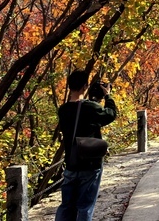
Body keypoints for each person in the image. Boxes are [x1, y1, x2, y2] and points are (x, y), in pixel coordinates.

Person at [55, 70, 118, 221]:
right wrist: (107, 96)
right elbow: (110, 114)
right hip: (90, 164)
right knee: (85, 206)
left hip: (71, 163)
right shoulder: (90, 107)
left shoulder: (63, 110)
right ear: (85, 87)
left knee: (66, 206)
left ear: (69, 86)